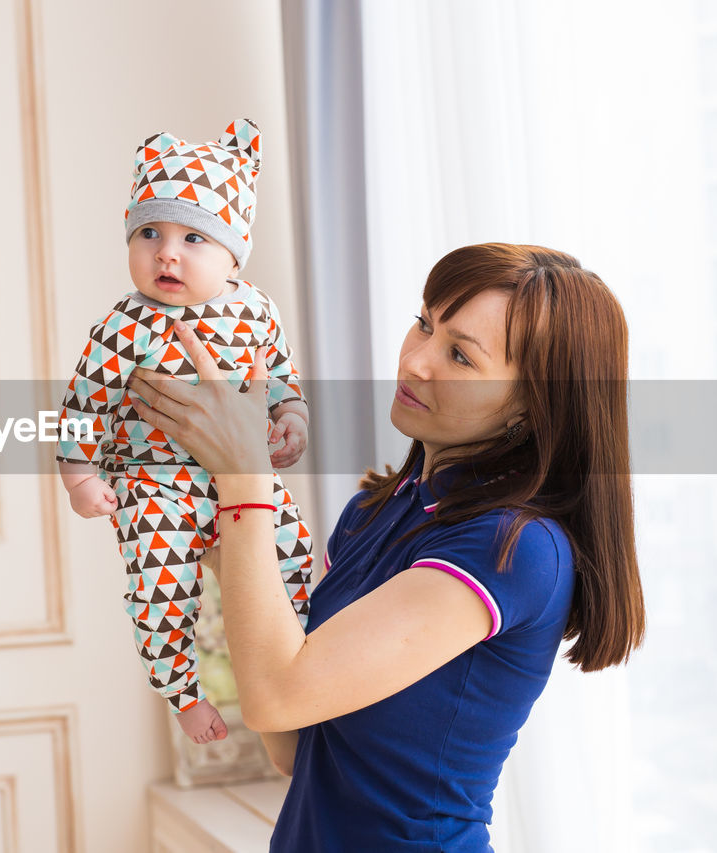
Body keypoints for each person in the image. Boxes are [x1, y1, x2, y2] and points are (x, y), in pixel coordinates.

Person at [127, 243, 647, 851]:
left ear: (534, 406)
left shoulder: (515, 548)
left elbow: (276, 698)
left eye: (460, 355)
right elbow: (295, 745)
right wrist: (223, 538)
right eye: (425, 323)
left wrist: (244, 479)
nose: (417, 361)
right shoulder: (375, 512)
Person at [56, 119, 314, 745]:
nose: (166, 252)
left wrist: (291, 416)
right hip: (155, 484)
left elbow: (278, 374)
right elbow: (84, 404)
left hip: (244, 477)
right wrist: (81, 477)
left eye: (192, 238)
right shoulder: (125, 324)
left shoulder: (256, 309)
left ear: (233, 254)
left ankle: (309, 655)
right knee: (159, 586)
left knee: (296, 557)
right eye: (150, 233)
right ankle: (184, 694)